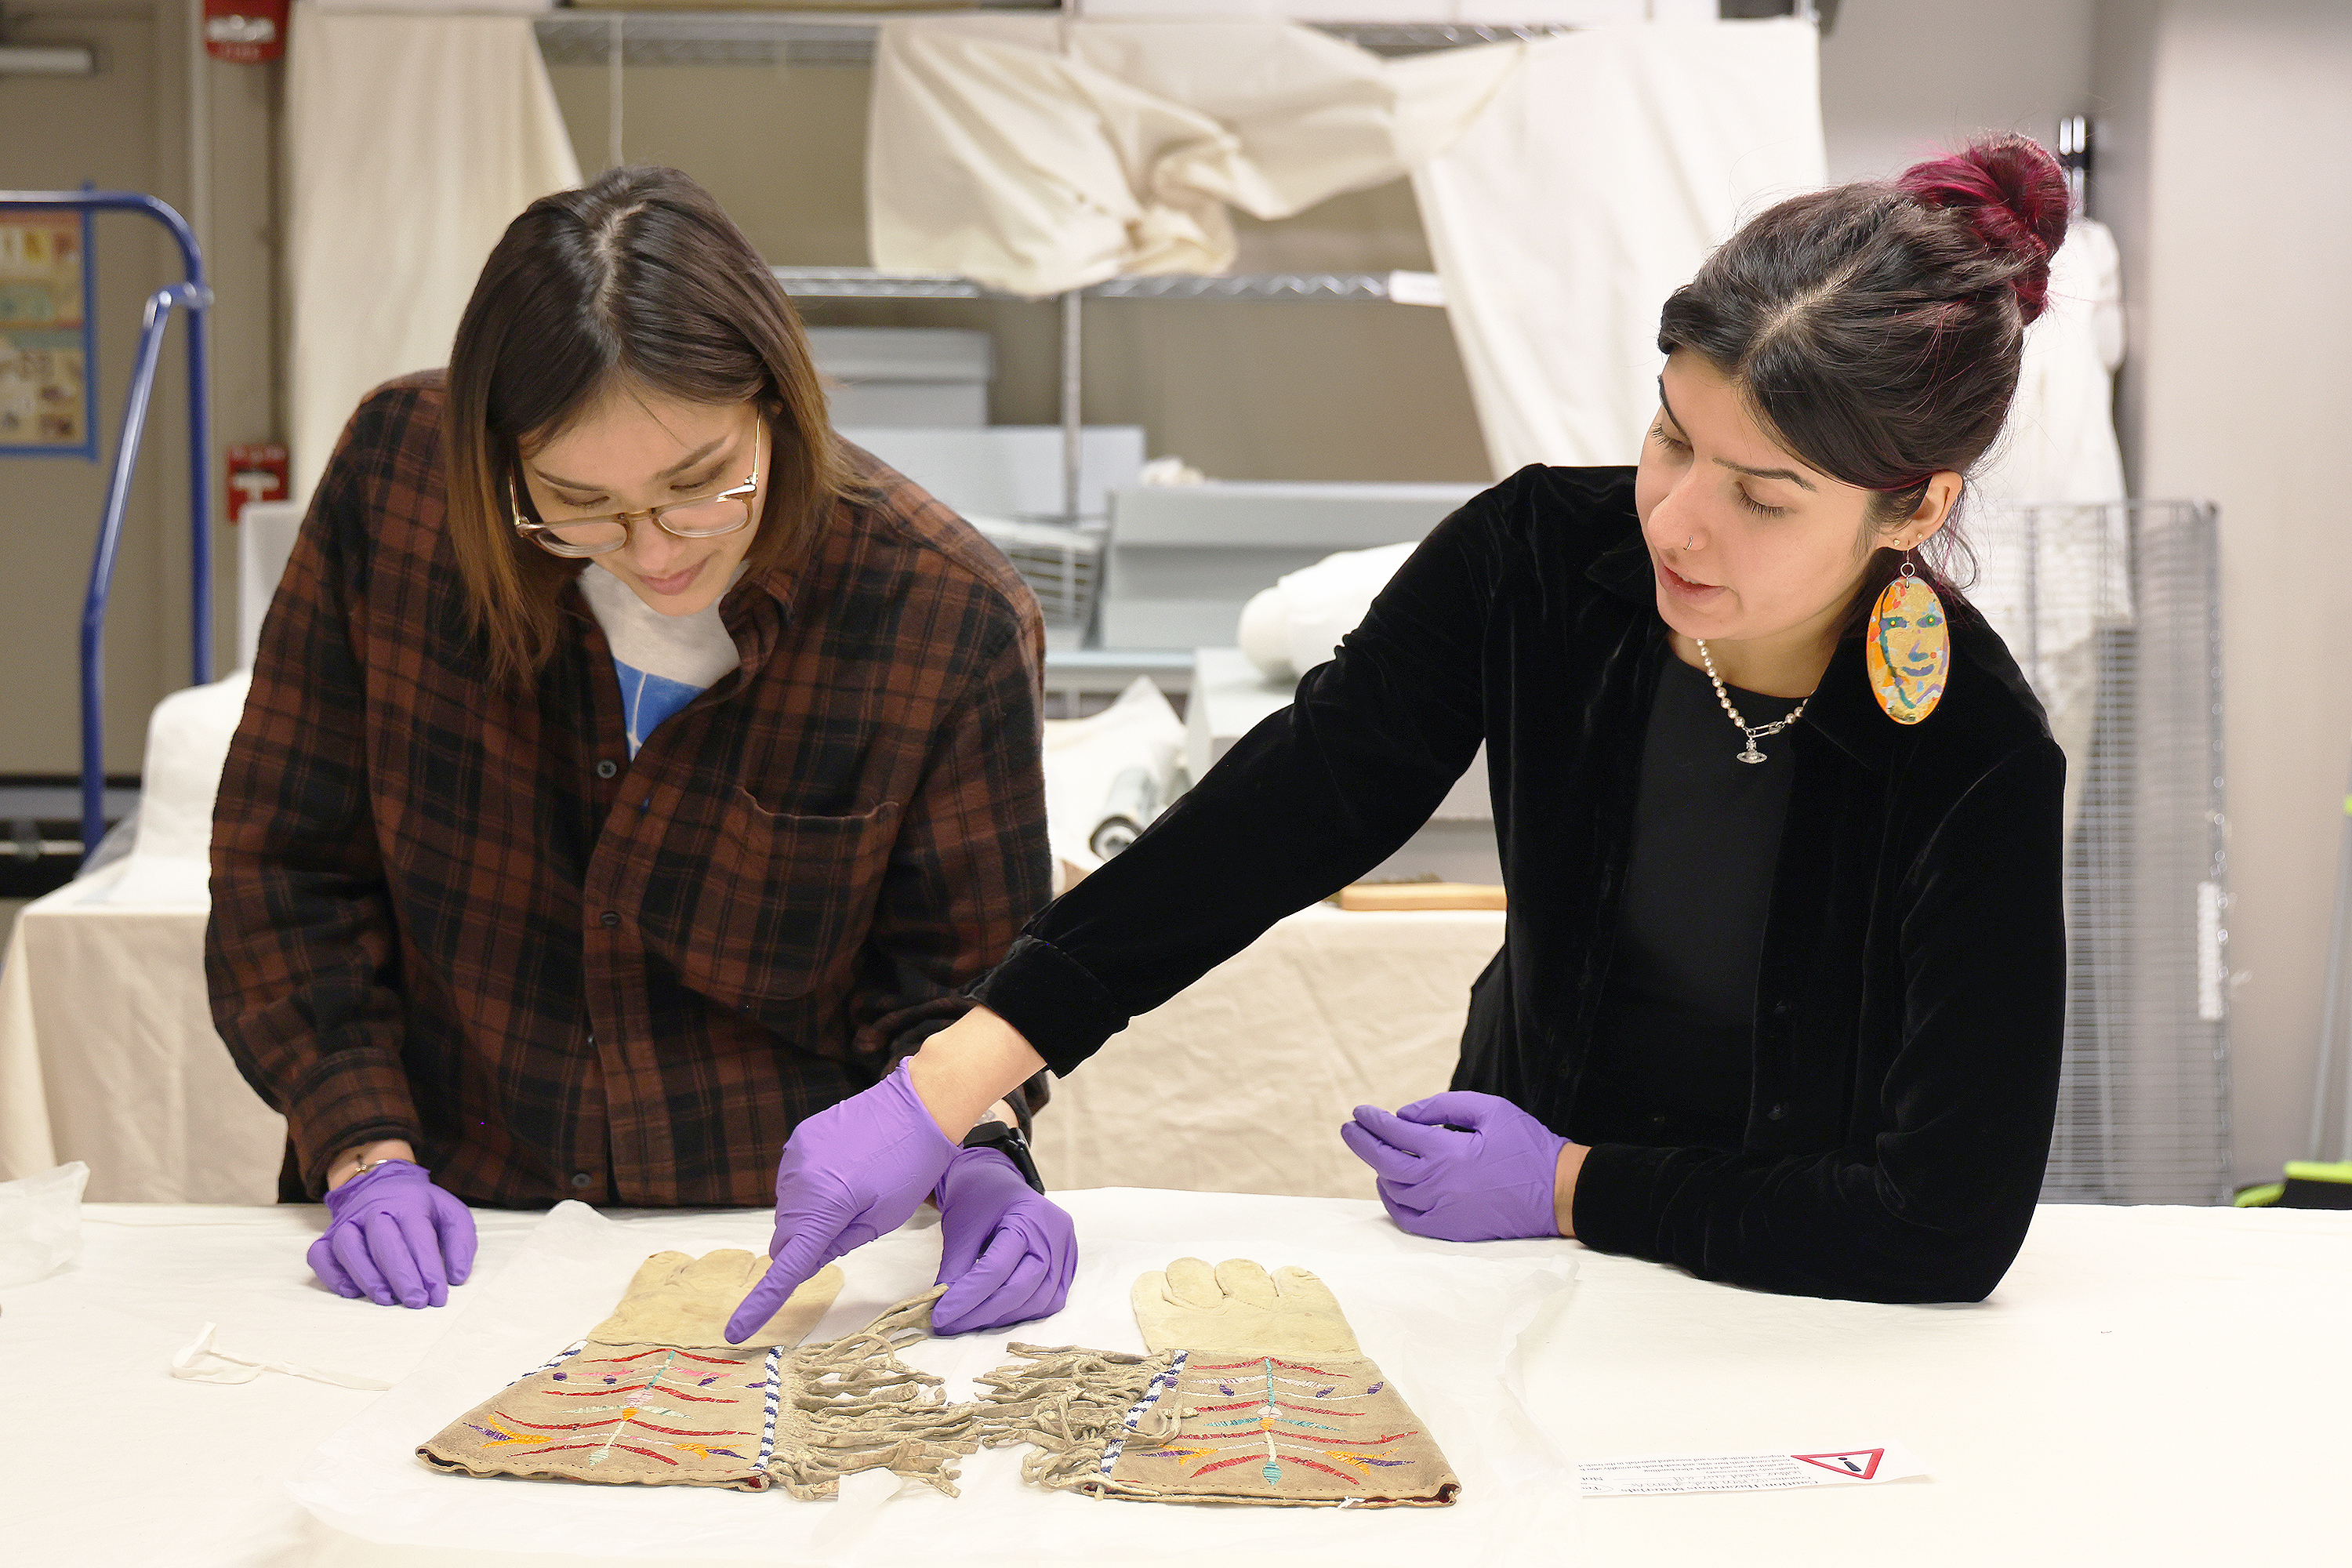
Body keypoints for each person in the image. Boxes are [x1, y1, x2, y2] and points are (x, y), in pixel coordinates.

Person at [723, 134, 2073, 1336]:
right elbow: (1289, 810)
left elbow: (1944, 1225)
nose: (1675, 522)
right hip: (1514, 1279)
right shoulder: (1544, 560)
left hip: (1802, 1301)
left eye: (1763, 499)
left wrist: (1567, 1185)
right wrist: (947, 1086)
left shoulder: (1974, 757)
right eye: (1671, 441)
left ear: (1911, 508)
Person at [208, 166, 1076, 1336]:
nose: (655, 552)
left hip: (773, 1254)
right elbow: (291, 867)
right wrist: (363, 1148)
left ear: (777, 401)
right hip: (452, 1226)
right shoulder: (399, 489)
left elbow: (958, 992)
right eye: (577, 502)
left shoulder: (940, 612)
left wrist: (981, 1156)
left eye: (699, 485)